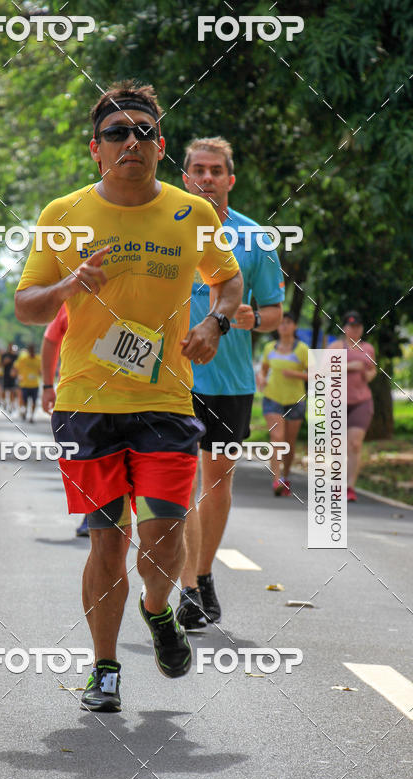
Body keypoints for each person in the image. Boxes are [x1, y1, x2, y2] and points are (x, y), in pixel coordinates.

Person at [15, 80, 243, 712]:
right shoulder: (62, 216)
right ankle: (105, 668)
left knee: (166, 534)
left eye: (143, 132)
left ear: (160, 146)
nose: (130, 143)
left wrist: (214, 323)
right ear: (96, 148)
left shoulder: (192, 214)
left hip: (166, 400)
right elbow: (26, 307)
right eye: (117, 133)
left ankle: (159, 610)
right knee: (108, 540)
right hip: (87, 402)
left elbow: (228, 282)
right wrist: (69, 283)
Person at [177, 137, 284, 630]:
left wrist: (247, 319)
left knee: (215, 486)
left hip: (231, 381)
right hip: (170, 379)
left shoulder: (256, 239)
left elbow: (275, 314)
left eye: (216, 170)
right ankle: (186, 589)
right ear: (184, 177)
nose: (207, 177)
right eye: (197, 169)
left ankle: (202, 574)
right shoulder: (162, 227)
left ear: (230, 179)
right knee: (175, 485)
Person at [40, 306, 89, 537]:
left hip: (133, 398)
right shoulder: (73, 296)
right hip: (80, 398)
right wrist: (48, 386)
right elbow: (51, 339)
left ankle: (100, 514)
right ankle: (95, 513)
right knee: (89, 459)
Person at [257, 310, 308, 496]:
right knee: (277, 437)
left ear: (294, 326)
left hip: (295, 400)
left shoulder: (302, 349)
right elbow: (263, 370)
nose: (284, 326)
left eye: (288, 322)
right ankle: (276, 480)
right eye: (281, 323)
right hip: (272, 398)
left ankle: (286, 476)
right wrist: (261, 378)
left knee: (289, 442)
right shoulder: (269, 348)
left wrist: (296, 374)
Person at [332, 310, 377, 501]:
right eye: (351, 326)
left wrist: (369, 374)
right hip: (337, 402)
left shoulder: (368, 348)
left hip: (362, 401)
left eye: (358, 326)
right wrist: (349, 367)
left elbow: (373, 369)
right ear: (344, 328)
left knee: (355, 444)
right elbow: (323, 371)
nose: (354, 329)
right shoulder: (335, 347)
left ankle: (350, 486)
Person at [15, 344, 40, 422]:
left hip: (35, 384)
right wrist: (18, 376)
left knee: (34, 401)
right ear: (29, 351)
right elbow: (16, 367)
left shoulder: (38, 359)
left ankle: (32, 416)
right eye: (30, 350)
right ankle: (25, 411)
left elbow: (41, 370)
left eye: (33, 350)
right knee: (24, 400)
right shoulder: (23, 359)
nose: (32, 352)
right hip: (25, 384)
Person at [0, 342, 18, 412]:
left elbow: (18, 365)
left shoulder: (15, 356)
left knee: (12, 391)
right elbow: (1, 364)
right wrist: (5, 362)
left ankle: (11, 404)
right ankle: (4, 402)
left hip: (13, 376)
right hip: (5, 375)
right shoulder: (4, 355)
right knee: (4, 390)